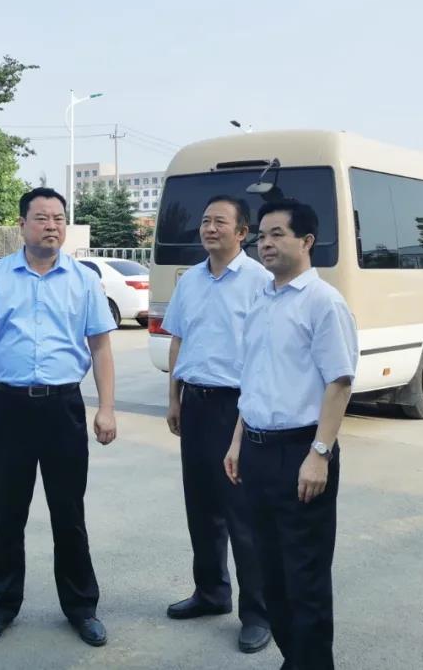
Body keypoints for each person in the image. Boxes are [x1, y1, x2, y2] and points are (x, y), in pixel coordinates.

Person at [0, 187, 118, 648]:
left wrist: (106, 408)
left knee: (69, 512)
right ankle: (1, 606)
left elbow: (101, 347)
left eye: (59, 218)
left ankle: (82, 607)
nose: (52, 226)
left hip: (64, 407)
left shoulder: (83, 280)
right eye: (42, 218)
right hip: (11, 408)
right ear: (23, 224)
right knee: (8, 512)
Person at [224, 199, 358, 670]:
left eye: (278, 234)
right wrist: (238, 441)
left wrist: (320, 453)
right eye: (262, 235)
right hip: (257, 451)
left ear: (306, 241)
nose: (266, 243)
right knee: (269, 573)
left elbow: (339, 382)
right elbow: (253, 379)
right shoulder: (261, 299)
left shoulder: (323, 302)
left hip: (302, 453)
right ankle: (294, 659)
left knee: (305, 578)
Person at [161, 195, 271, 654]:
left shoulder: (260, 281)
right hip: (196, 404)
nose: (209, 228)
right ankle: (211, 592)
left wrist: (250, 414)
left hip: (237, 408)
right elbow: (178, 341)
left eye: (220, 222)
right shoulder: (190, 280)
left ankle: (258, 613)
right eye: (205, 220)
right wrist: (174, 398)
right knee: (201, 506)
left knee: (243, 514)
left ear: (242, 232)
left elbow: (266, 352)